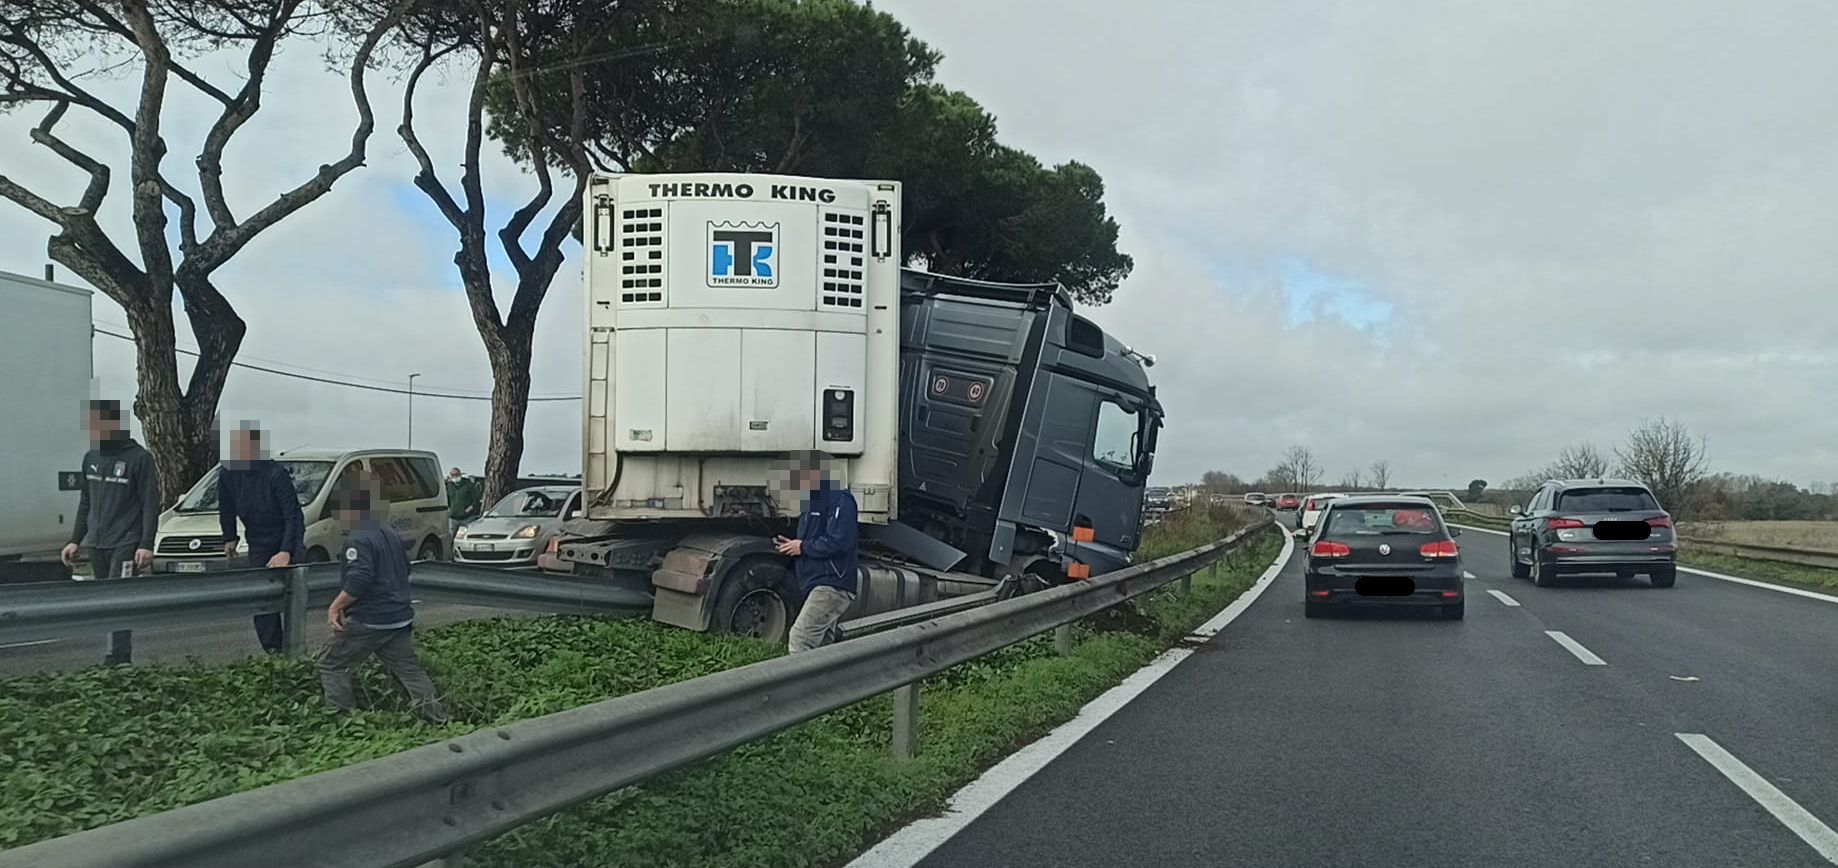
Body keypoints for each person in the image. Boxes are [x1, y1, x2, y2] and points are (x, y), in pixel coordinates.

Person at [317, 472, 449, 723]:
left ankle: (343, 720)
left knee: (331, 663)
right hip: (397, 618)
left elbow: (359, 578)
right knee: (410, 671)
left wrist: (336, 606)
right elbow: (406, 569)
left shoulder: (358, 539)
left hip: (370, 619)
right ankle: (438, 720)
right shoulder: (389, 534)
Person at [60, 399, 161, 666]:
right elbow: (86, 502)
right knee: (105, 601)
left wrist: (146, 543)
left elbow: (150, 504)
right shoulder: (91, 458)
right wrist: (74, 540)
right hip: (97, 543)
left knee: (120, 599)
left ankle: (119, 657)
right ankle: (111, 654)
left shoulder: (140, 458)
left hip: (126, 542)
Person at [218, 422, 307, 653]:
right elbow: (226, 507)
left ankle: (295, 650)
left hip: (286, 535)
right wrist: (229, 537)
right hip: (258, 538)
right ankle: (273, 652)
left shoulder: (275, 474)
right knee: (262, 599)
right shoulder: (228, 473)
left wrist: (286, 551)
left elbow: (292, 516)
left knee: (291, 594)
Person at [776, 451, 859, 653]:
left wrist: (802, 546)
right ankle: (827, 684)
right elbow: (812, 540)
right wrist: (794, 545)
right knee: (822, 648)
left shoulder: (840, 499)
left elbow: (840, 541)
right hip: (817, 582)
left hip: (832, 582)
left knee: (800, 638)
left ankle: (799, 684)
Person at [445, 467, 481, 536]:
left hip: (467, 518)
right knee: (450, 538)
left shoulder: (468, 485)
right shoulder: (449, 487)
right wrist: (449, 510)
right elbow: (447, 500)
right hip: (453, 519)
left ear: (460, 474)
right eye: (453, 475)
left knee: (467, 537)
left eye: (457, 474)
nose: (455, 476)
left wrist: (470, 508)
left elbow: (476, 499)